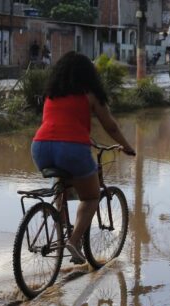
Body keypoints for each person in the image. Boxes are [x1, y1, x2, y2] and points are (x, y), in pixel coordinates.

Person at [31, 52, 136, 266]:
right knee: (90, 197)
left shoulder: (52, 93)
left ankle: (60, 229)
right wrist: (127, 147)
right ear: (88, 73)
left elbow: (57, 123)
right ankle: (74, 241)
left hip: (40, 147)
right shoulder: (89, 94)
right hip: (71, 149)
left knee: (62, 184)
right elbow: (111, 126)